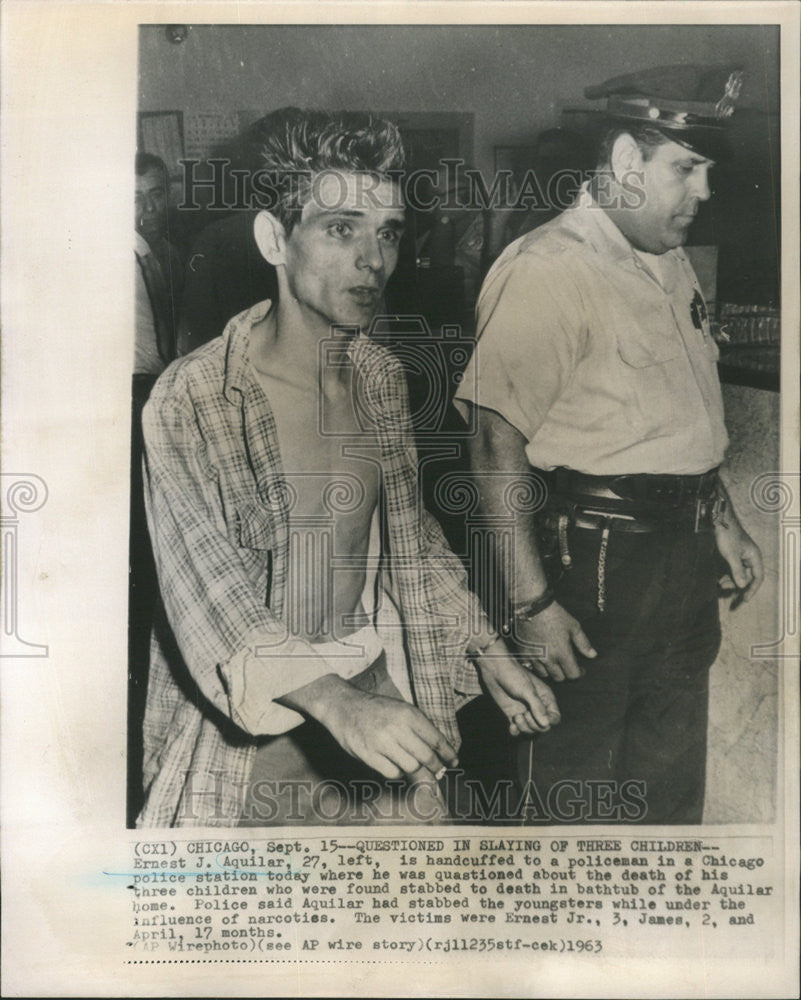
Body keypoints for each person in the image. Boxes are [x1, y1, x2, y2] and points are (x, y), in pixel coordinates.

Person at [137, 109, 559, 828]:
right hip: (258, 724)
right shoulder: (193, 398)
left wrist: (488, 650)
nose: (373, 259)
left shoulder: (379, 377)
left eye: (387, 232)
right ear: (275, 239)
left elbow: (411, 539)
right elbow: (209, 591)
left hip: (376, 691)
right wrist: (339, 705)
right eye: (341, 228)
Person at [454, 65, 763, 825]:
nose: (704, 191)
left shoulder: (665, 257)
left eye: (707, 170)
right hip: (590, 561)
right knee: (574, 792)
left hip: (678, 555)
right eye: (685, 169)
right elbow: (494, 447)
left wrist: (716, 515)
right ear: (626, 161)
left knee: (665, 789)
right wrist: (529, 605)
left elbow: (673, 411)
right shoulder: (546, 270)